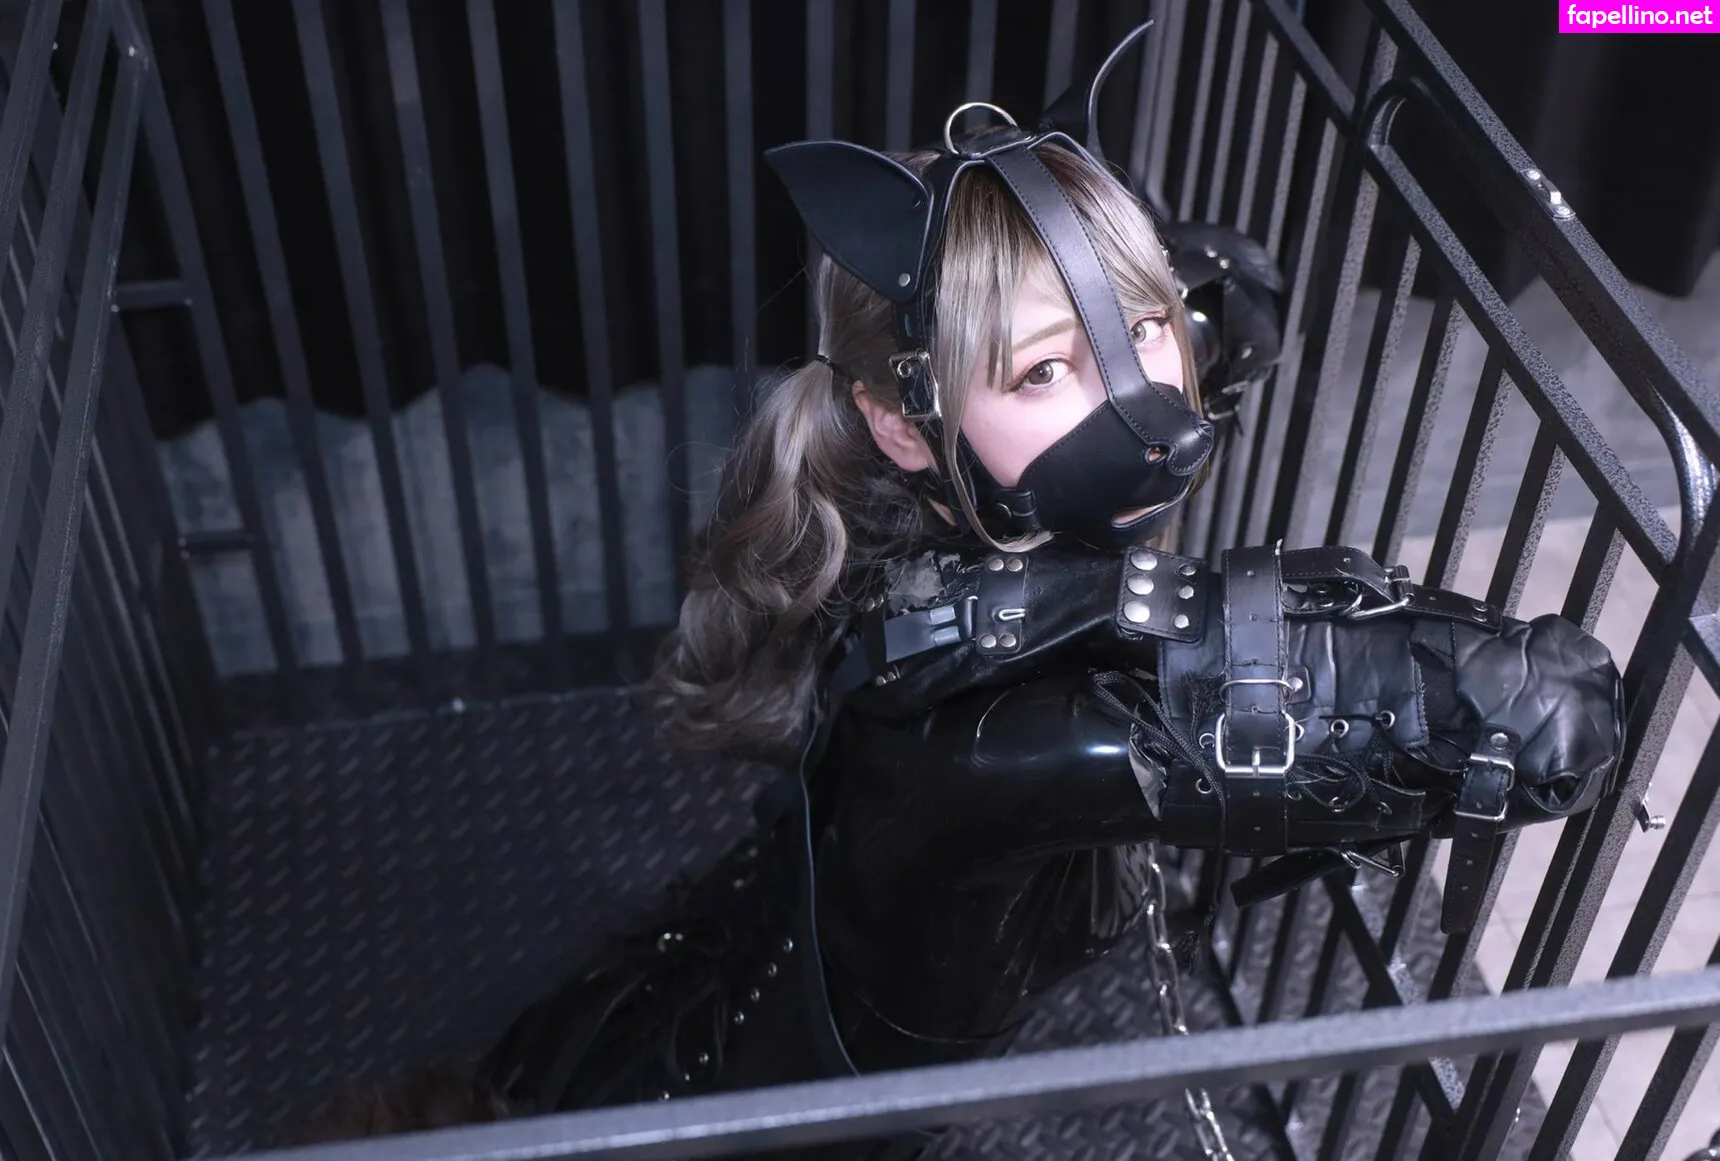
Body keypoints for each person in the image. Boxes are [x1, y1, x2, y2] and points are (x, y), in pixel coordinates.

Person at [297, 83, 1625, 1161]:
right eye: (1046, 370)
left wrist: (1183, 303)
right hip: (779, 1128)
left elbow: (1165, 329)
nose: (1154, 407)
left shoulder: (912, 480)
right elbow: (1494, 719)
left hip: (749, 944)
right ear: (902, 426)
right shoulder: (999, 749)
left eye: (1149, 326)